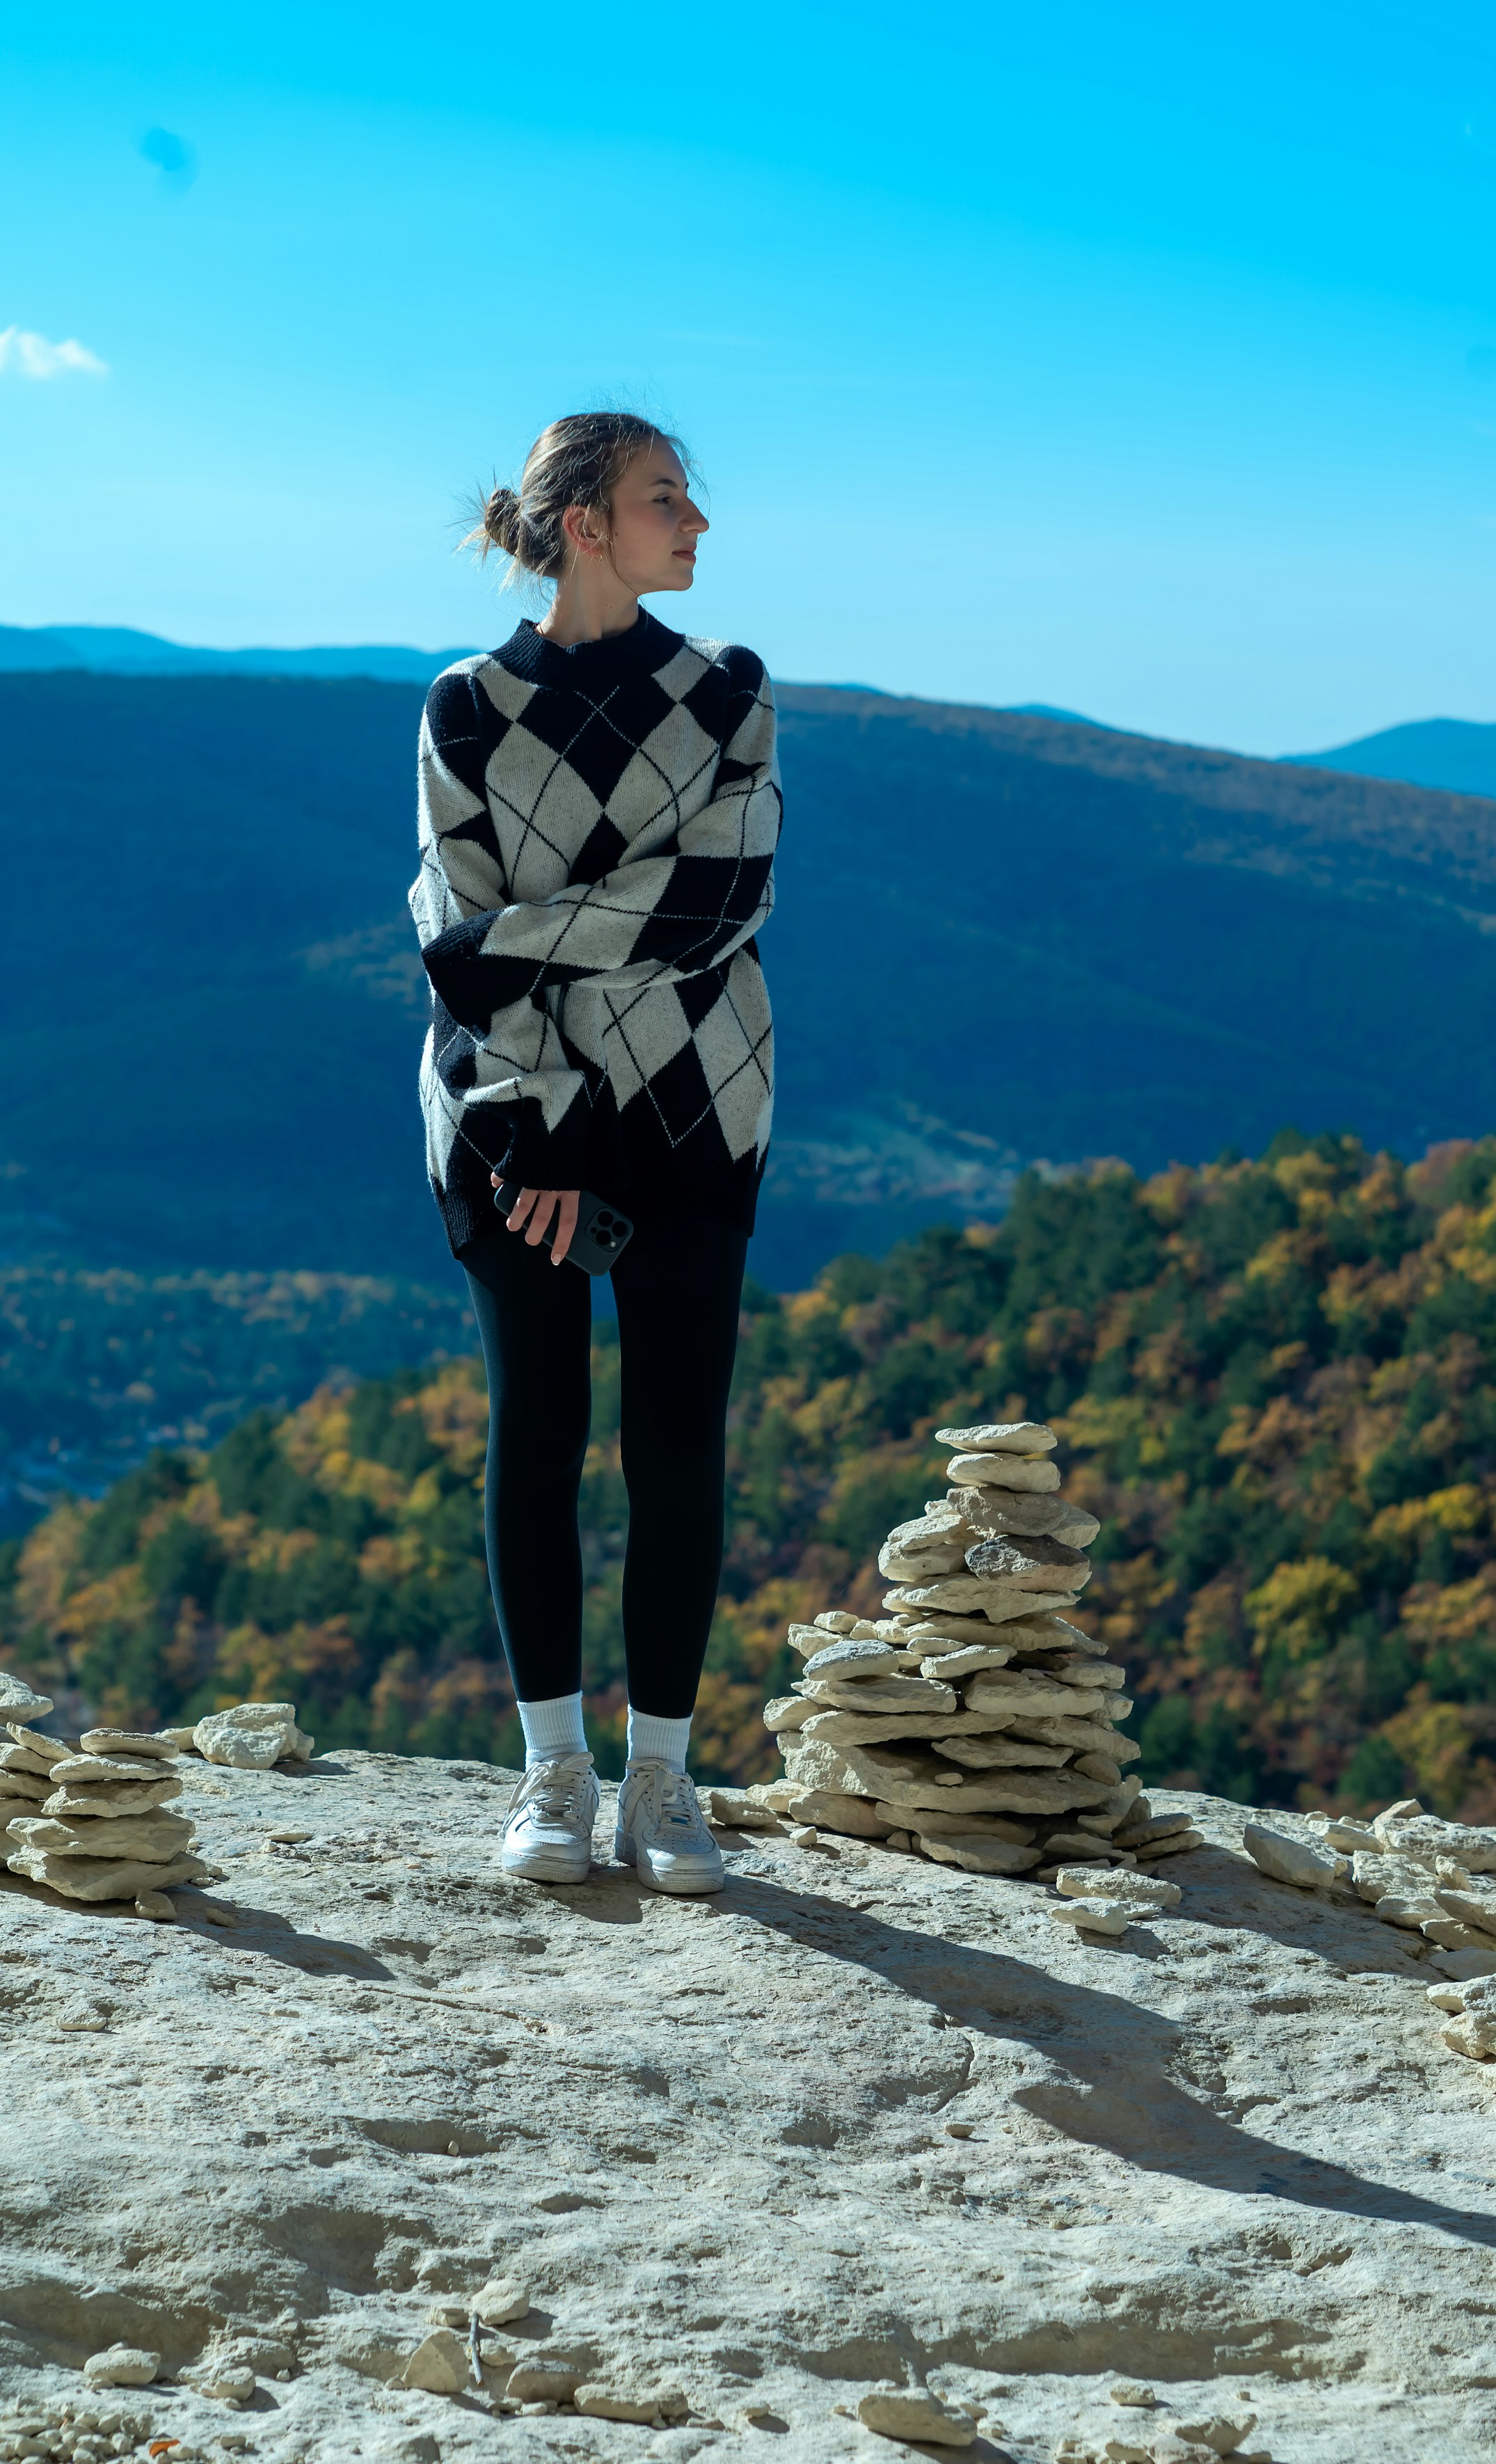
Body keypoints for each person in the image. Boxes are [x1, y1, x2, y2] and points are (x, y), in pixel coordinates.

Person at [411, 411, 779, 1890]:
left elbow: (720, 908)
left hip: (698, 1114)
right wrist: (534, 1120)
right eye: (666, 498)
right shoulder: (468, 708)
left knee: (677, 1449)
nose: (698, 522)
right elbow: (450, 935)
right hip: (509, 1126)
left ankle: (665, 1788)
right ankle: (554, 1778)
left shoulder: (729, 697)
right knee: (540, 1440)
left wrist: (520, 946)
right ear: (584, 524)